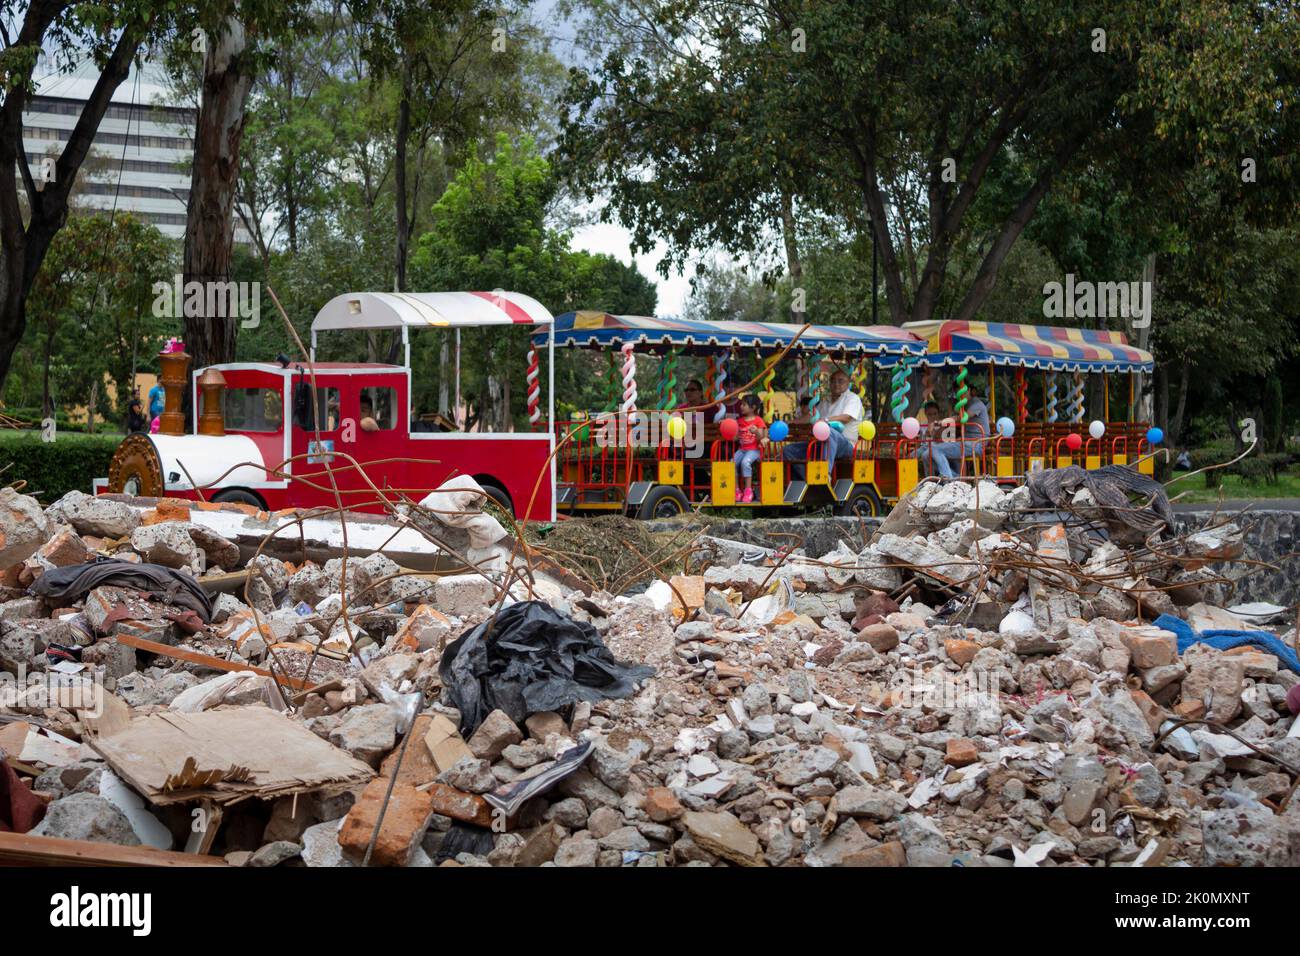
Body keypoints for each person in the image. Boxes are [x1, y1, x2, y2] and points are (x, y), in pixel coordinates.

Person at [783, 369, 861, 480]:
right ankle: (807, 478)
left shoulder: (853, 398)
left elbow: (846, 417)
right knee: (788, 450)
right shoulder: (825, 401)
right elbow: (810, 416)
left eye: (840, 381)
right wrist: (790, 422)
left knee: (829, 432)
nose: (836, 384)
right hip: (822, 442)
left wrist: (826, 420)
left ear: (848, 383)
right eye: (833, 381)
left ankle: (825, 475)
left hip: (846, 445)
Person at [921, 385, 990, 478]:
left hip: (976, 443)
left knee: (935, 450)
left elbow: (961, 418)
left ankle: (949, 479)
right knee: (926, 455)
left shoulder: (976, 404)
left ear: (969, 390)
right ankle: (935, 481)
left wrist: (937, 423)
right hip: (965, 441)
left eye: (962, 392)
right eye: (957, 393)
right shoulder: (963, 406)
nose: (960, 395)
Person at [731, 394, 766, 503]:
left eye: (744, 404)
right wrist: (728, 428)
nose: (741, 406)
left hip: (754, 450)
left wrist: (756, 432)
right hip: (742, 449)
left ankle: (748, 490)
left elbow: (761, 437)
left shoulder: (758, 420)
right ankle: (737, 490)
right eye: (742, 404)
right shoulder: (739, 421)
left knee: (745, 463)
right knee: (731, 463)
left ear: (753, 407)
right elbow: (735, 437)